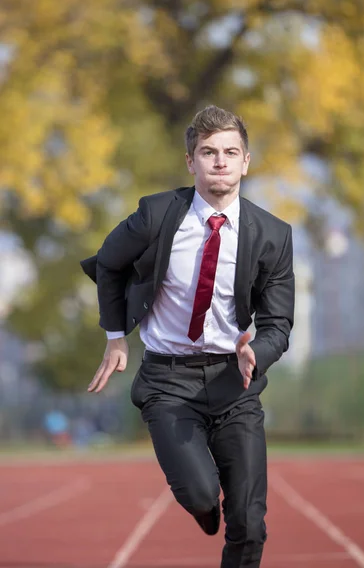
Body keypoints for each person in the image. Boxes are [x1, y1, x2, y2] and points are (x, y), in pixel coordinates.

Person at [81, 105, 295, 568]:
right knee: (200, 495)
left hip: (234, 383)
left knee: (249, 523)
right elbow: (108, 264)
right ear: (190, 161)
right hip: (167, 383)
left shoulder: (273, 236)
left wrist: (255, 351)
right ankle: (200, 504)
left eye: (230, 152)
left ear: (246, 161)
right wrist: (116, 336)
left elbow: (279, 326)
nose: (220, 161)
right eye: (208, 152)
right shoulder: (156, 214)